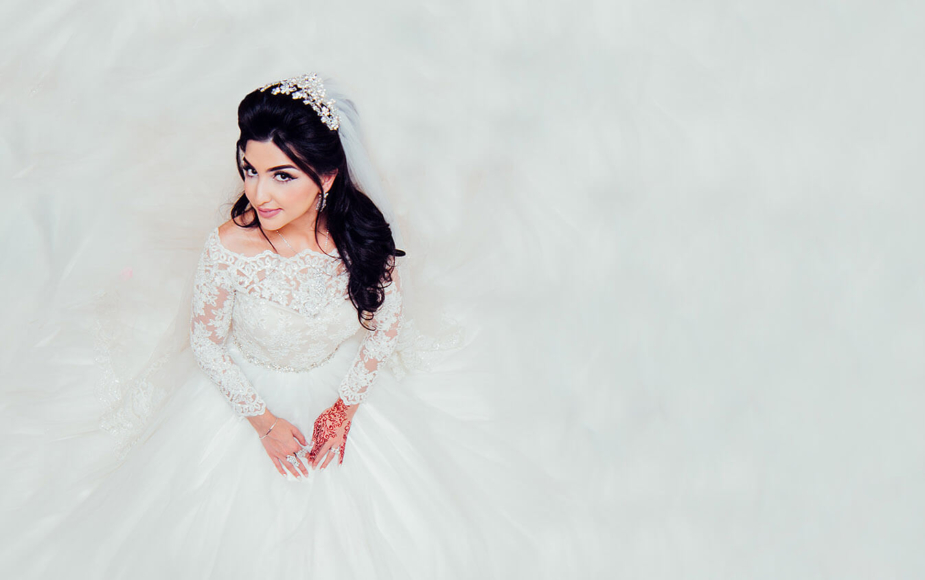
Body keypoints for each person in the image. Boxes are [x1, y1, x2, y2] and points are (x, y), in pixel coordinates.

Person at [1, 73, 559, 580]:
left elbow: (386, 326)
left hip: (338, 378)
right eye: (250, 169)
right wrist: (264, 423)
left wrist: (344, 409)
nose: (258, 193)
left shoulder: (362, 237)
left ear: (328, 177)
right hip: (249, 388)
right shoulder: (229, 245)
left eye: (281, 175)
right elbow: (206, 341)